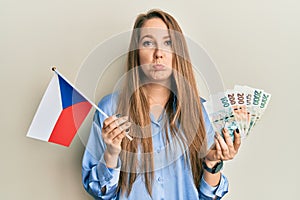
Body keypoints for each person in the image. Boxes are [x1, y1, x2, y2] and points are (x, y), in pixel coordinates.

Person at [82, 9, 241, 200]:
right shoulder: (110, 109)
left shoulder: (201, 111)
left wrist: (212, 163)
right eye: (148, 43)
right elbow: (101, 193)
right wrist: (111, 153)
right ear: (136, 52)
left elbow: (208, 197)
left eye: (168, 43)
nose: (158, 54)